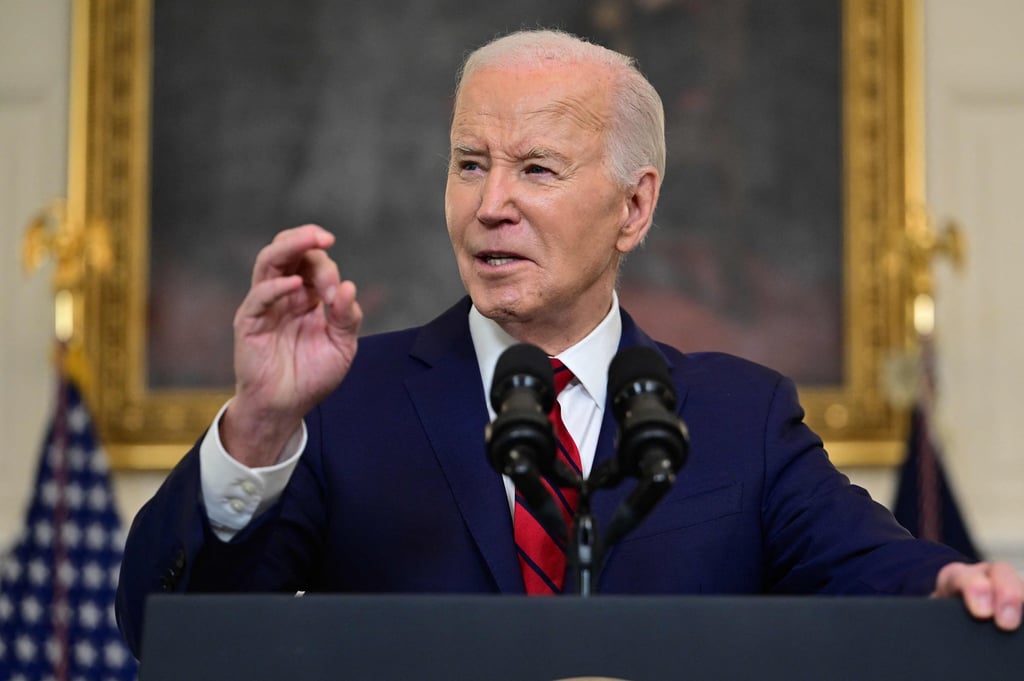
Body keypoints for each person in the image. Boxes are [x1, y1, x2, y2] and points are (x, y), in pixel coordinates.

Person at [116, 29, 1023, 655]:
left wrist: (957, 593)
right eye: (470, 164)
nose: (490, 203)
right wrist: (259, 433)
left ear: (635, 206)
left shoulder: (739, 416)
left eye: (536, 168)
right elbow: (169, 630)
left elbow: (887, 572)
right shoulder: (344, 402)